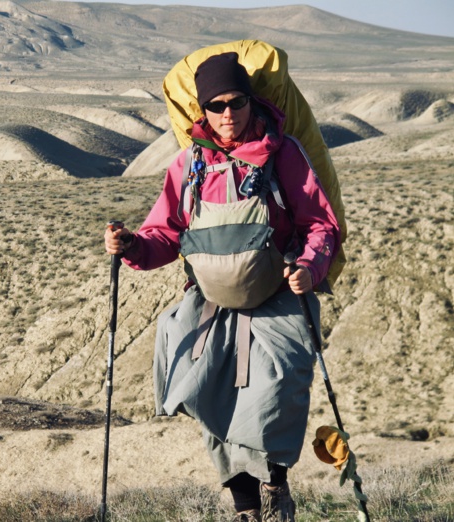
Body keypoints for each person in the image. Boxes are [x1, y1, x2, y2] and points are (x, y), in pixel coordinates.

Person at [104, 52, 341, 522]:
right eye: (216, 105)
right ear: (203, 110)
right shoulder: (189, 164)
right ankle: (245, 511)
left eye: (235, 102)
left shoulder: (284, 154)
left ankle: (275, 492)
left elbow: (321, 225)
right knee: (207, 399)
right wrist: (131, 244)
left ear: (251, 101)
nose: (227, 114)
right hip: (210, 306)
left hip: (277, 299)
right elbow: (165, 235)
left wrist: (310, 268)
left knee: (273, 396)